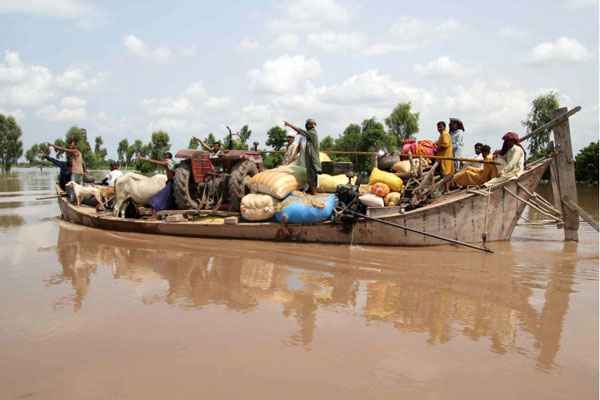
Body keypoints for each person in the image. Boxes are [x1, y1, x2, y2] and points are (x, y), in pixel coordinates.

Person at [284, 118, 321, 194]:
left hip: (312, 159)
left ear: (310, 125)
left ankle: (314, 193)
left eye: (308, 124)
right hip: (309, 159)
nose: (306, 126)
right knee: (310, 176)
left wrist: (289, 125)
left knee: (312, 177)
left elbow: (300, 130)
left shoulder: (312, 133)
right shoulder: (308, 134)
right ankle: (311, 191)